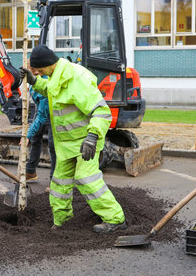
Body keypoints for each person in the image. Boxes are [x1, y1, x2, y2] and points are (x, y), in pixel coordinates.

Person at [19, 45, 126, 233]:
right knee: (59, 183)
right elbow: (53, 90)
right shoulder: (57, 75)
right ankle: (62, 221)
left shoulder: (76, 77)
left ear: (48, 64)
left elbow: (101, 111)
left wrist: (92, 137)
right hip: (66, 144)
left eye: (39, 70)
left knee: (86, 178)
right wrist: (35, 81)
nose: (39, 73)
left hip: (86, 141)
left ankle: (115, 219)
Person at [23, 65, 56, 190]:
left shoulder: (46, 81)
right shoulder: (32, 81)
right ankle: (30, 171)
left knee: (53, 146)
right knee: (36, 138)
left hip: (53, 114)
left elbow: (42, 115)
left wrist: (28, 134)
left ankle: (54, 181)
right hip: (42, 110)